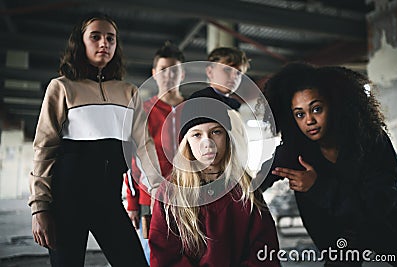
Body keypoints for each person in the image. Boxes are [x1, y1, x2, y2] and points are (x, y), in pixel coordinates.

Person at [28, 13, 162, 267]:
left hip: (109, 199)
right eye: (96, 37)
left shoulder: (128, 92)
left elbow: (144, 146)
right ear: (81, 43)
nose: (104, 43)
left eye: (110, 38)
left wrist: (158, 191)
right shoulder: (62, 87)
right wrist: (40, 208)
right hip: (66, 201)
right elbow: (44, 149)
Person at [259, 62, 397, 266]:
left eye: (316, 109)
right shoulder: (295, 150)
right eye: (300, 114)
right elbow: (256, 182)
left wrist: (317, 186)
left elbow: (374, 210)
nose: (309, 120)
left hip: (388, 233)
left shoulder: (372, 141)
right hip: (338, 247)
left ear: (335, 105)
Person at [149, 97, 280, 266]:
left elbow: (264, 248)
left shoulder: (245, 189)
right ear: (186, 142)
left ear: (227, 137)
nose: (208, 143)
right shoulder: (171, 193)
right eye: (197, 135)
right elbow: (164, 257)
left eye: (216, 132)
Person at [124, 41, 185, 264]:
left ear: (182, 74)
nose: (168, 76)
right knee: (153, 257)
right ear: (154, 73)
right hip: (150, 199)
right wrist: (132, 202)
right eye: (163, 70)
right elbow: (132, 159)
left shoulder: (194, 109)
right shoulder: (143, 110)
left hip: (189, 196)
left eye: (174, 71)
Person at [189, 47, 250, 170]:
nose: (234, 76)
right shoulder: (200, 102)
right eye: (228, 69)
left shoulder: (234, 106)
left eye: (238, 72)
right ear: (210, 72)